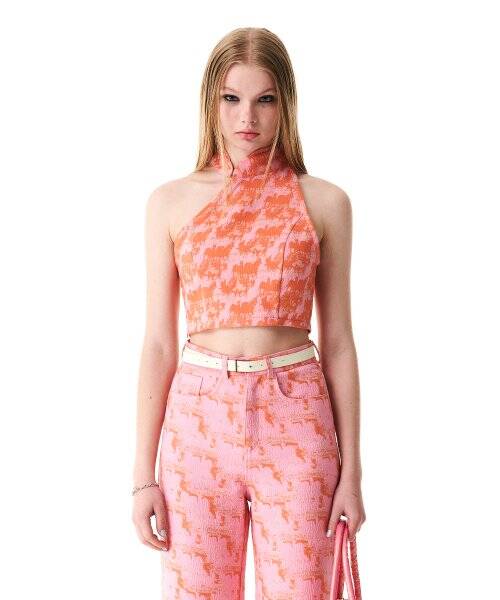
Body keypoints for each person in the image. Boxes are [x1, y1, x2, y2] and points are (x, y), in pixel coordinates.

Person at [132, 27, 366, 599]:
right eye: (232, 98)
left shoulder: (325, 202)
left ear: (286, 103)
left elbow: (338, 340)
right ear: (210, 101)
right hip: (197, 420)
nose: (247, 117)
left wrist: (353, 472)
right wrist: (142, 476)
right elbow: (159, 343)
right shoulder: (170, 202)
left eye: (265, 99)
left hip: (297, 414)